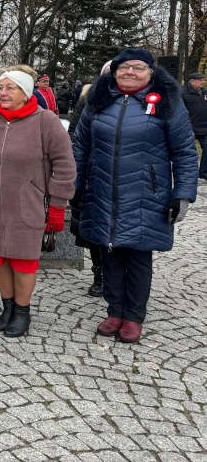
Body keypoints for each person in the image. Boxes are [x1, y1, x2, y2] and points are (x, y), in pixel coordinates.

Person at [72, 48, 198, 343]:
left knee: (139, 255)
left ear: (151, 72)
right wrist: (75, 184)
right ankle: (115, 310)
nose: (130, 72)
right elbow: (80, 146)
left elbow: (184, 152)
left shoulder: (167, 102)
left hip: (147, 193)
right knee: (110, 251)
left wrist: (183, 193)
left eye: (138, 67)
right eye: (124, 67)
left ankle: (133, 317)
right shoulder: (98, 102)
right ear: (114, 72)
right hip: (103, 189)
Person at [0, 64, 76, 337]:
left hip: (28, 205)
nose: (2, 92)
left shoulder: (45, 121)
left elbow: (64, 164)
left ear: (26, 93)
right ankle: (7, 307)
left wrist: (59, 205)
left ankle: (22, 311)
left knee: (23, 261)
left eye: (10, 87)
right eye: (0, 87)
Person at [68, 60, 113, 298]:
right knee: (93, 229)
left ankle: (119, 273)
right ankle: (99, 273)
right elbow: (75, 131)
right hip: (92, 172)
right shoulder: (89, 99)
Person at [180, 71, 207, 181]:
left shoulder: (205, 93)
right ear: (191, 82)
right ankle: (187, 174)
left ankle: (204, 173)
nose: (202, 82)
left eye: (203, 80)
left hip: (204, 128)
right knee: (188, 153)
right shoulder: (183, 93)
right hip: (189, 128)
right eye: (199, 80)